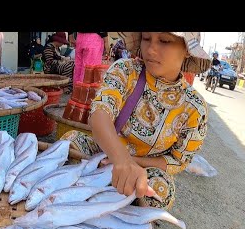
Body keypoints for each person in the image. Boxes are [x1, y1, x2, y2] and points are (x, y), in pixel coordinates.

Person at [61, 32, 211, 210]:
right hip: (104, 152)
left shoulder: (194, 107)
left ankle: (124, 215)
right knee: (67, 144)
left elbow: (177, 161)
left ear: (186, 49)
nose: (151, 49)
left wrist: (131, 163)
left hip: (145, 170)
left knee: (160, 193)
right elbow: (100, 113)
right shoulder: (126, 71)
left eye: (164, 41)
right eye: (146, 39)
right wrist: (120, 159)